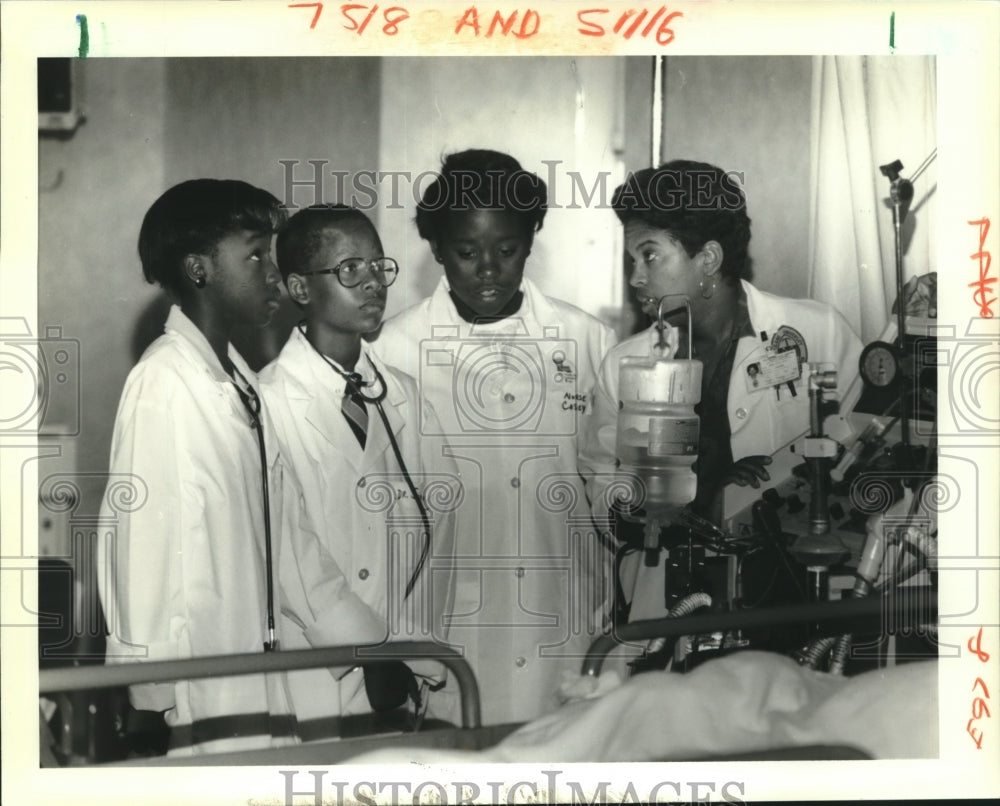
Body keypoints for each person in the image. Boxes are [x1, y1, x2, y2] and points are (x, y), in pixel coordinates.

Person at [370, 149, 617, 725]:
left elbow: (611, 479)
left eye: (506, 251)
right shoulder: (392, 351)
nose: (487, 270)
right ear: (435, 248)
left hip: (566, 611)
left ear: (531, 241)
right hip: (454, 624)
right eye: (465, 252)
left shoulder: (586, 340)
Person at [578, 159, 863, 625]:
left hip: (793, 595)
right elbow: (599, 479)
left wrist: (772, 485)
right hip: (669, 598)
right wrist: (642, 504)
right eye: (631, 260)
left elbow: (861, 447)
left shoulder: (814, 334)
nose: (635, 278)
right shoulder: (624, 364)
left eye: (650, 257)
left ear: (707, 259)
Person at [96, 179, 296, 755]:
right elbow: (140, 544)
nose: (273, 273)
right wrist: (151, 688)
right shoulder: (162, 382)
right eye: (255, 254)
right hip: (198, 674)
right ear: (198, 268)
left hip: (250, 651)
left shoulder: (238, 380)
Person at [260, 204, 460, 738]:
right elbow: (289, 557)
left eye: (378, 267)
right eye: (351, 270)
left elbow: (434, 533)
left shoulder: (404, 396)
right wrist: (372, 651)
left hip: (402, 670)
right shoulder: (270, 402)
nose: (374, 283)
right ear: (301, 288)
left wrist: (412, 648)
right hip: (317, 667)